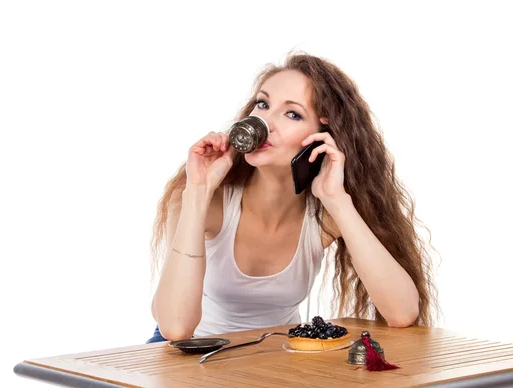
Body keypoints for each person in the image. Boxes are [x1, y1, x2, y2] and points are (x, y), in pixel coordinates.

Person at [147, 52, 438, 343]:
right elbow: (175, 328)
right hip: (189, 357)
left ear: (323, 136)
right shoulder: (204, 198)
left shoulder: (324, 215)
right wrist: (197, 193)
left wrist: (336, 199)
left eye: (292, 114)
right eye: (263, 104)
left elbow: (402, 312)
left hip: (271, 359)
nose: (265, 122)